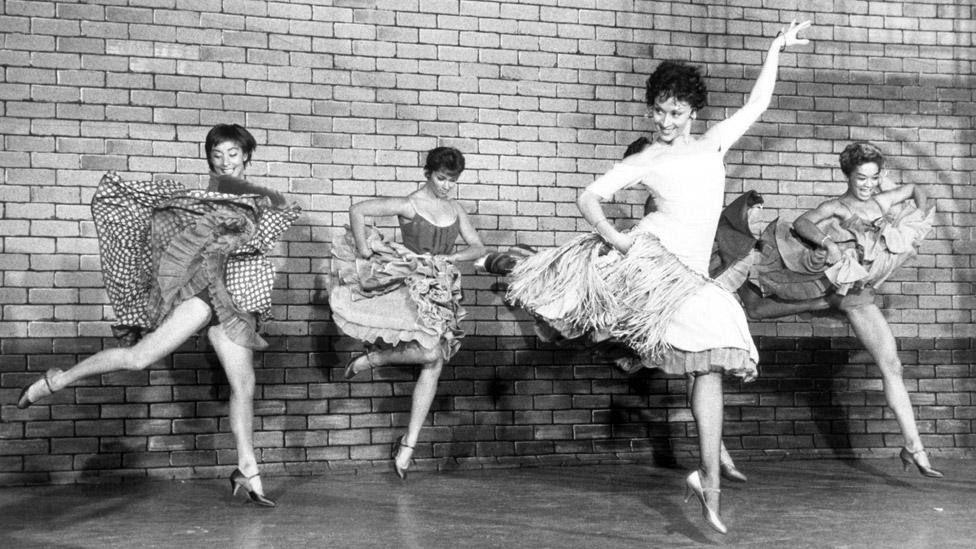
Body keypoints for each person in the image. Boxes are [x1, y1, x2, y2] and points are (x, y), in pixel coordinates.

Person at [507, 21, 812, 534]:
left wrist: (774, 49)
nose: (666, 120)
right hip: (650, 263)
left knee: (709, 367)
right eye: (659, 110)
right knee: (579, 318)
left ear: (693, 112)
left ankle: (708, 480)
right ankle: (511, 267)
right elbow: (588, 196)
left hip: (689, 276)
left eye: (675, 111)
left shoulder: (714, 143)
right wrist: (617, 238)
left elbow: (758, 105)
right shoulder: (650, 157)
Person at [16, 124, 300, 507]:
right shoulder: (219, 194)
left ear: (246, 155)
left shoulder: (246, 198)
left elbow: (269, 215)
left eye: (233, 154)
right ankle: (56, 380)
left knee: (244, 387)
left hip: (235, 303)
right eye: (217, 155)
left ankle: (247, 469)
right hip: (206, 293)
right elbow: (268, 204)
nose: (225, 162)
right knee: (138, 359)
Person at [747, 141, 940, 477]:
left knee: (892, 366)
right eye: (860, 178)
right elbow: (803, 223)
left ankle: (913, 446)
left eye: (873, 177)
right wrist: (829, 243)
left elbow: (914, 189)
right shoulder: (837, 206)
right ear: (848, 176)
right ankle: (803, 302)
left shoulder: (882, 200)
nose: (866, 185)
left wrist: (915, 227)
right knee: (762, 308)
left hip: (860, 294)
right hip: (839, 284)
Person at [328, 146, 486, 480]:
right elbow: (358, 210)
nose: (446, 186)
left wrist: (454, 259)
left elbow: (477, 247)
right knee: (430, 353)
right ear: (428, 173)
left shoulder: (455, 208)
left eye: (452, 180)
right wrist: (364, 250)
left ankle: (409, 444)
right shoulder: (410, 204)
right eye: (441, 178)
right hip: (412, 289)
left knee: (435, 361)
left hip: (443, 289)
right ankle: (375, 360)